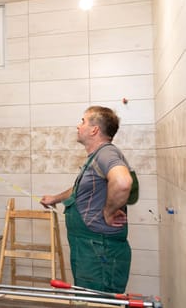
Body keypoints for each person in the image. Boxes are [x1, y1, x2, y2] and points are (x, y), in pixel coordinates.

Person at [40, 106, 133, 293]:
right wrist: (55, 199)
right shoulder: (96, 157)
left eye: (82, 121)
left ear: (94, 130)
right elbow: (80, 191)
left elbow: (122, 182)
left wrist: (109, 212)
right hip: (91, 249)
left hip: (99, 252)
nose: (78, 126)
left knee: (98, 303)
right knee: (88, 301)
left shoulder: (107, 153)